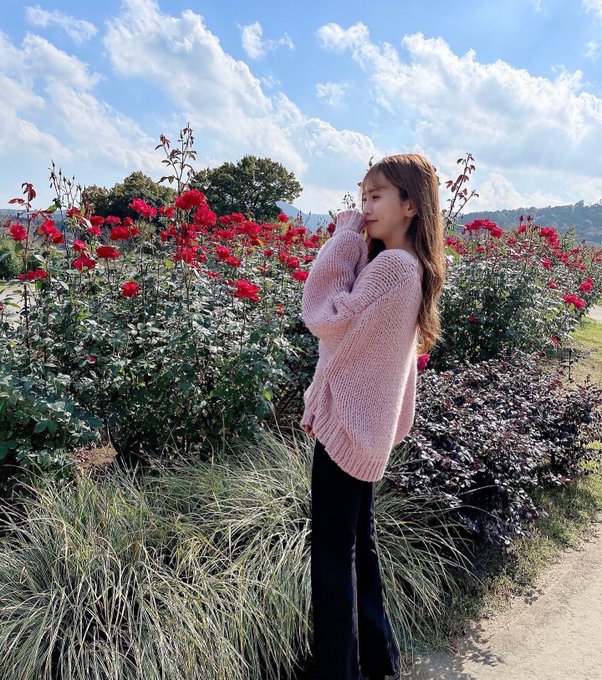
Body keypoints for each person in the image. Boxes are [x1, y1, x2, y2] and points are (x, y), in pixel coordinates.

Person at [299, 153, 446, 679]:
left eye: (376, 195)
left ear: (410, 205)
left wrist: (343, 239)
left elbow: (327, 317)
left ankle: (338, 670)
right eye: (363, 196)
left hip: (347, 429)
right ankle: (377, 663)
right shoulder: (408, 267)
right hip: (366, 431)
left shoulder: (390, 268)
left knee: (332, 558)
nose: (365, 206)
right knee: (360, 549)